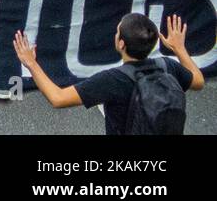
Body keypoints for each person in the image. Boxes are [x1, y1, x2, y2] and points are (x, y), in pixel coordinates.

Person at [13, 12, 204, 134]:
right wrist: (179, 48)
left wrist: (31, 63)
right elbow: (198, 81)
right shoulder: (168, 66)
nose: (115, 34)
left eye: (117, 32)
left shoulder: (113, 80)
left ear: (121, 44)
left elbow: (58, 98)